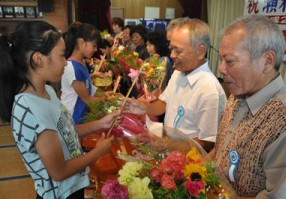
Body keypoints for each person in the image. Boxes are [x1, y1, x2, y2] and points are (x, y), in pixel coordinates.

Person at [0, 21, 119, 199]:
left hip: (72, 187)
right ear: (38, 59)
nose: (65, 63)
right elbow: (59, 171)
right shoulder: (31, 108)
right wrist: (98, 152)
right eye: (62, 56)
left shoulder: (47, 91)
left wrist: (101, 123)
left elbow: (66, 130)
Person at [213, 15, 286, 198]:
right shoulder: (238, 93)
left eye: (230, 61)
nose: (221, 69)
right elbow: (223, 150)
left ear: (267, 61)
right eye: (221, 59)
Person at [126, 18, 227, 152]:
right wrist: (142, 107)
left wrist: (165, 144)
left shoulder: (209, 90)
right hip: (168, 150)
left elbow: (206, 143)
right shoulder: (179, 72)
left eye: (178, 51)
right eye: (171, 49)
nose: (172, 55)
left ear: (201, 50)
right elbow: (164, 104)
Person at [61, 22, 108, 124]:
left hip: (81, 114)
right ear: (81, 42)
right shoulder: (72, 67)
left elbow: (88, 86)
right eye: (94, 45)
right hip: (73, 117)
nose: (95, 50)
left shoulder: (81, 62)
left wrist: (104, 94)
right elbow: (87, 99)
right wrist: (106, 99)